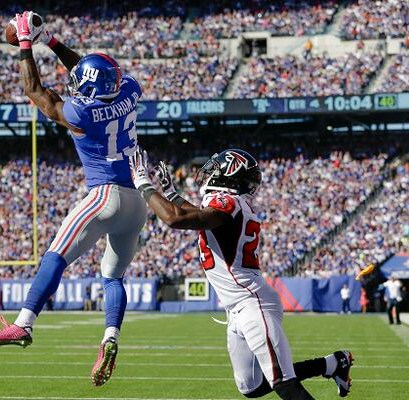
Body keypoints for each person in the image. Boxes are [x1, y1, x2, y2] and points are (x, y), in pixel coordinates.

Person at [0, 11, 147, 387]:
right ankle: (110, 338)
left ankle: (23, 324)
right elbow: (88, 70)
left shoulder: (81, 112)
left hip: (104, 195)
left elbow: (36, 92)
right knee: (113, 276)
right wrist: (50, 40)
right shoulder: (130, 89)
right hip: (138, 202)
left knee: (55, 255)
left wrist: (26, 45)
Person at [129, 147, 353, 399]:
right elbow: (197, 216)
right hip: (237, 308)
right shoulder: (230, 205)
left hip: (252, 302)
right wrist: (171, 193)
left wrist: (143, 184)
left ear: (230, 175)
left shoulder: (230, 203)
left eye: (216, 169)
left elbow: (176, 219)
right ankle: (333, 364)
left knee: (285, 384)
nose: (209, 173)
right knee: (252, 387)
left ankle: (333, 364)